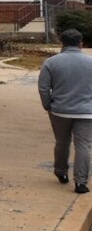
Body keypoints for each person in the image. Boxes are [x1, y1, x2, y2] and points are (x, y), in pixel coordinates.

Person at [39, 28, 92, 193]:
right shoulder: (90, 62)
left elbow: (43, 88)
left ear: (61, 43)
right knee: (83, 145)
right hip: (86, 111)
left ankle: (61, 172)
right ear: (81, 43)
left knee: (62, 142)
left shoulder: (51, 62)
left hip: (60, 110)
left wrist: (48, 105)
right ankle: (81, 182)